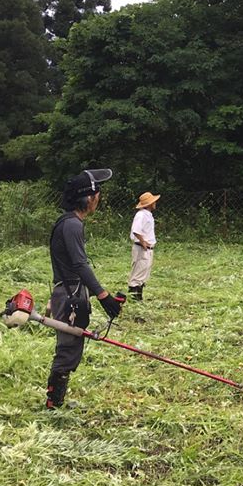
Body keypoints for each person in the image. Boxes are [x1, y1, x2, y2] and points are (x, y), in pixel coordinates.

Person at [45, 169, 123, 409]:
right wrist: (103, 296)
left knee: (73, 344)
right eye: (97, 193)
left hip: (70, 291)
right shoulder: (72, 225)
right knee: (68, 347)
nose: (99, 198)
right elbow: (79, 264)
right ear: (89, 198)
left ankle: (56, 399)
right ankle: (53, 402)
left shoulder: (68, 222)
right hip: (69, 295)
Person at [128, 191, 160, 301]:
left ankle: (138, 296)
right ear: (149, 204)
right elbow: (136, 230)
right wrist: (143, 242)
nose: (155, 203)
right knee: (138, 272)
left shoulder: (147, 214)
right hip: (142, 247)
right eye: (153, 202)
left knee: (144, 272)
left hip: (146, 248)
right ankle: (134, 297)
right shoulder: (141, 215)